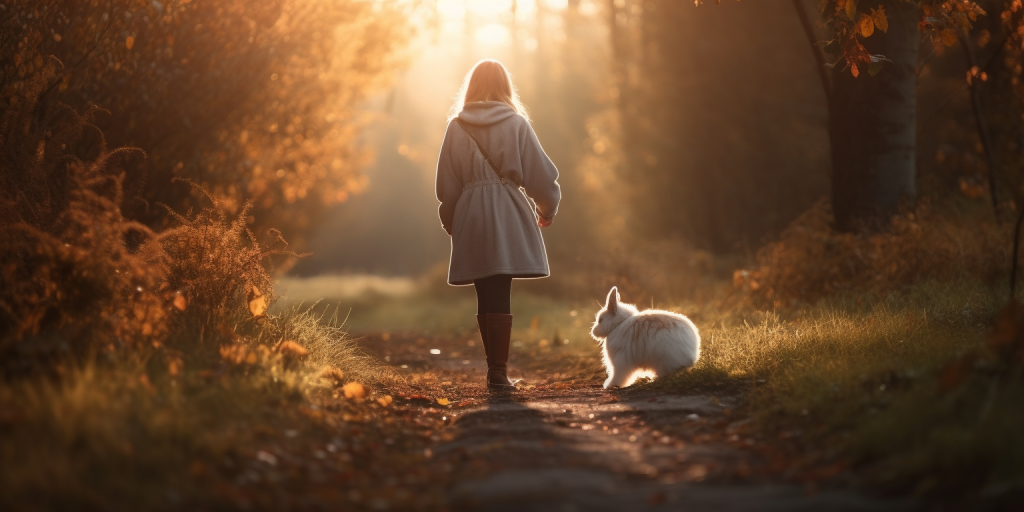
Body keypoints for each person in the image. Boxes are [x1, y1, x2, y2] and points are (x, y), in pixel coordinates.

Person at [434, 59, 561, 390]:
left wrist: (452, 220)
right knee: (501, 288)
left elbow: (447, 186)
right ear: (506, 86)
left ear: (471, 87)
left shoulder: (455, 127)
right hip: (508, 210)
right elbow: (541, 176)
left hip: (471, 212)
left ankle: (496, 370)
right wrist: (547, 208)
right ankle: (498, 372)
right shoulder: (517, 124)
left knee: (484, 292)